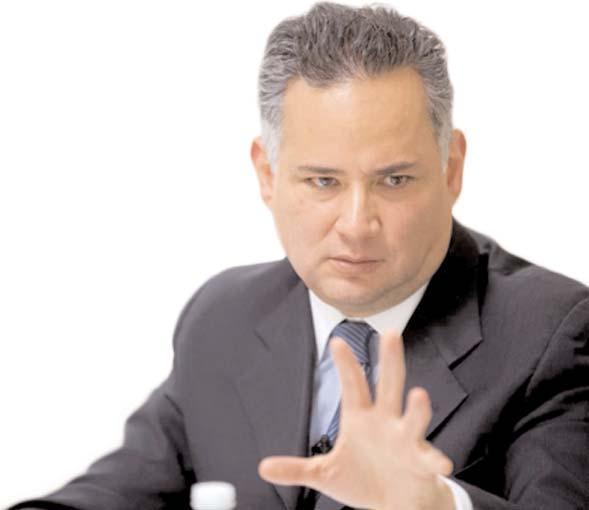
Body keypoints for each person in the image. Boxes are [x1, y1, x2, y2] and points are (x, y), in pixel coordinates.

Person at [8, 2, 588, 509]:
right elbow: (119, 492)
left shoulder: (552, 334)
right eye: (322, 182)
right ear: (267, 174)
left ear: (451, 169)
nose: (356, 225)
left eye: (394, 180)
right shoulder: (224, 317)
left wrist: (434, 504)